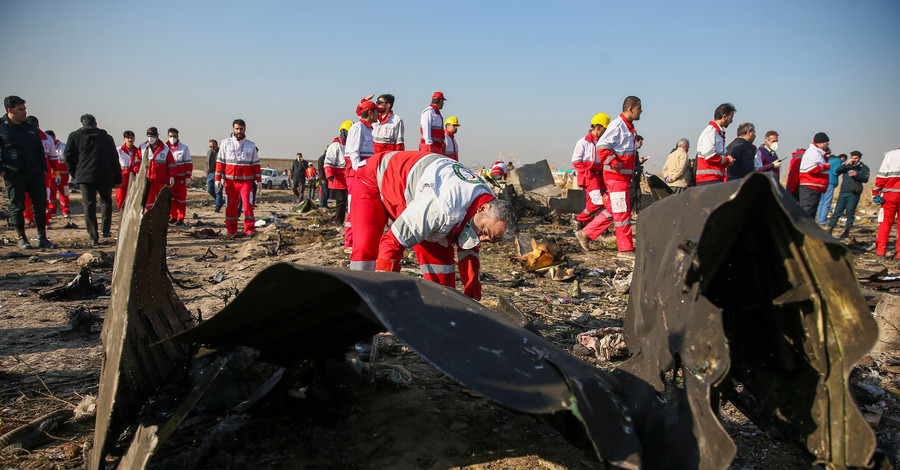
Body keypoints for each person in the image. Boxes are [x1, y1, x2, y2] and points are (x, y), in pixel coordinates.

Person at [349, 150, 517, 300]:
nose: (481, 239)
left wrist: (472, 290)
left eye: (490, 240)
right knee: (366, 248)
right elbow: (392, 243)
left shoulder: (487, 201)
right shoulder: (442, 208)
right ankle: (358, 301)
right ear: (482, 208)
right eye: (484, 232)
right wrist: (384, 296)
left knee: (442, 274)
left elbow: (470, 247)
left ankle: (443, 315)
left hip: (416, 191)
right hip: (374, 177)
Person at [0, 95, 54, 248]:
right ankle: (22, 238)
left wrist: (44, 169)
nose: (24, 112)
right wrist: (2, 171)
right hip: (13, 173)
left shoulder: (30, 126)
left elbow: (38, 148)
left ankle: (42, 238)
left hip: (35, 172)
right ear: (10, 110)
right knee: (17, 207)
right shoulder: (2, 127)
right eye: (20, 109)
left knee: (40, 206)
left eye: (25, 109)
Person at [64, 114, 121, 246]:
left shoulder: (74, 136)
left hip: (85, 176)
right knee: (106, 201)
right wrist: (117, 178)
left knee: (89, 205)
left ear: (82, 124)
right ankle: (105, 231)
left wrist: (75, 173)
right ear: (96, 123)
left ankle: (92, 236)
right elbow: (114, 159)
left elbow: (68, 157)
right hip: (104, 175)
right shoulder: (106, 137)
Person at [596, 95, 642, 256]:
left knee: (615, 210)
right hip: (616, 176)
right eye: (639, 108)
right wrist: (614, 163)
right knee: (622, 212)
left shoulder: (627, 127)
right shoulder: (618, 125)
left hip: (622, 177)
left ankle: (586, 233)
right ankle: (625, 248)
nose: (641, 111)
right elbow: (601, 147)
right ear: (630, 108)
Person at [571, 112, 614, 251]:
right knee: (598, 202)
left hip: (600, 176)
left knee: (594, 203)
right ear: (599, 127)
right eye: (605, 129)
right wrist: (589, 172)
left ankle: (584, 228)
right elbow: (576, 162)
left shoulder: (602, 142)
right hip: (590, 176)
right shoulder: (583, 142)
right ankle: (579, 220)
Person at [344, 99, 382, 251]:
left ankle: (357, 241)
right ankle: (349, 242)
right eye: (376, 111)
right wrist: (359, 169)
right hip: (355, 174)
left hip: (364, 172)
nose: (378, 114)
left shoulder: (368, 128)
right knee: (353, 207)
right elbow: (354, 152)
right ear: (371, 112)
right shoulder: (358, 127)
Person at [214, 119, 261, 238]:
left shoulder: (251, 145)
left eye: (241, 128)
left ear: (245, 129)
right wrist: (217, 178)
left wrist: (259, 180)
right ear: (233, 129)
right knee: (230, 206)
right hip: (230, 182)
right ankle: (231, 230)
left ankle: (250, 230)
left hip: (246, 182)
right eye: (237, 129)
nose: (239, 131)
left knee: (248, 206)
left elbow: (256, 164)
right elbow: (220, 162)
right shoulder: (225, 143)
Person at [827, 151, 869, 239]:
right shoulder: (847, 166)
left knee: (850, 212)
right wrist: (846, 164)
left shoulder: (863, 168)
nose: (854, 160)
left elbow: (865, 179)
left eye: (856, 158)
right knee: (837, 212)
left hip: (854, 192)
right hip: (843, 191)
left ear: (859, 158)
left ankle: (847, 230)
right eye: (853, 157)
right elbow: (837, 171)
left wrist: (856, 174)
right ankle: (830, 228)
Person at [696, 103, 736, 185]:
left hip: (716, 179)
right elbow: (709, 155)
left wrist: (726, 161)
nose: (731, 121)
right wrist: (727, 160)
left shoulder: (718, 134)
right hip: (708, 180)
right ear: (724, 116)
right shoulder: (711, 132)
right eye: (731, 118)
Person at [873, 147, 900, 258]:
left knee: (885, 224)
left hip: (890, 196)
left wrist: (876, 192)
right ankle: (899, 255)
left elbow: (882, 176)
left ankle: (880, 252)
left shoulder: (891, 155)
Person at [140, 127, 175, 210]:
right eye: (148, 136)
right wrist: (137, 174)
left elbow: (171, 164)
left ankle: (161, 218)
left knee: (161, 200)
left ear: (157, 136)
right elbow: (137, 162)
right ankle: (149, 218)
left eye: (152, 136)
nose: (150, 138)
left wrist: (172, 176)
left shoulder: (165, 149)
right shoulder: (143, 147)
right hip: (147, 180)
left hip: (161, 180)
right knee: (149, 200)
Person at [798, 133, 832, 217]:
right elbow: (811, 169)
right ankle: (805, 229)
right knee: (808, 212)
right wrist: (825, 166)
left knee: (810, 211)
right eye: (827, 143)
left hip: (814, 187)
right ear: (822, 143)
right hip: (811, 187)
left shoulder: (817, 152)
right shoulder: (813, 152)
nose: (827, 145)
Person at [324, 120, 350, 225]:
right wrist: (329, 175)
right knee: (341, 201)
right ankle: (338, 221)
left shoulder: (350, 145)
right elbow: (328, 162)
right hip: (338, 179)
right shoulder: (335, 146)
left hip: (348, 177)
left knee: (349, 201)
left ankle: (345, 220)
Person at [165, 128, 191, 225]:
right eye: (171, 136)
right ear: (168, 136)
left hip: (181, 178)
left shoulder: (183, 148)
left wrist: (188, 176)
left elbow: (188, 163)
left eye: (174, 136)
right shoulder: (164, 148)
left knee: (181, 199)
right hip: (169, 178)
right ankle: (173, 216)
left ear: (178, 136)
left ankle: (180, 218)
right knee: (170, 198)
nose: (172, 138)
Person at [46, 130, 72, 217]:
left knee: (64, 193)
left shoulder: (63, 147)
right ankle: (52, 211)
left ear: (54, 137)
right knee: (51, 194)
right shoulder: (46, 146)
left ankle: (65, 211)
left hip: (64, 177)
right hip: (52, 176)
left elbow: (67, 160)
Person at [115, 130, 141, 211]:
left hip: (133, 180)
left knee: (133, 201)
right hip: (121, 180)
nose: (130, 140)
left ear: (134, 139)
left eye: (132, 138)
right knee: (121, 200)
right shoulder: (119, 151)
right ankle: (122, 217)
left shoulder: (138, 151)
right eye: (128, 138)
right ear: (124, 139)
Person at [816, 151, 845, 225]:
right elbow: (836, 172)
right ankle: (822, 221)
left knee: (821, 201)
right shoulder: (838, 161)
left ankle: (819, 219)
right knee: (827, 202)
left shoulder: (826, 159)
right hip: (831, 182)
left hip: (822, 181)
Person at [629, 135, 648, 213]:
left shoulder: (635, 152)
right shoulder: (631, 152)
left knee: (638, 195)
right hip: (632, 177)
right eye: (640, 142)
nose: (641, 144)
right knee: (632, 195)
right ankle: (627, 213)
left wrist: (640, 162)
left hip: (636, 177)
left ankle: (638, 213)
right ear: (635, 141)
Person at [206, 139, 223, 212]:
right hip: (210, 174)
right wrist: (207, 173)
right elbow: (207, 163)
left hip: (218, 174)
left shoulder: (221, 153)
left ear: (217, 145)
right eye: (210, 147)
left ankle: (217, 207)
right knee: (210, 189)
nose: (212, 148)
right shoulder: (209, 152)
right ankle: (219, 201)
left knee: (218, 190)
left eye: (213, 146)